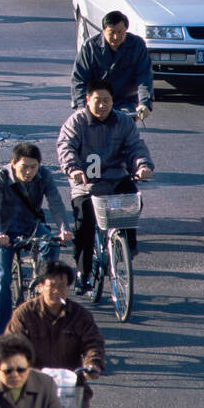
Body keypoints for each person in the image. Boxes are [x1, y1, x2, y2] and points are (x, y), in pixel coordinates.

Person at [5, 260, 103, 408]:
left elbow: (93, 343)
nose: (58, 290)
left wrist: (92, 364)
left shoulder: (79, 315)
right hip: (31, 389)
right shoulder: (25, 314)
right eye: (53, 285)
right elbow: (12, 347)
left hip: (68, 391)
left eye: (64, 286)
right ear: (40, 286)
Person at [57, 78, 153, 293]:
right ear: (87, 100)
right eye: (97, 101)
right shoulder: (76, 122)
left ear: (113, 101)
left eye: (107, 101)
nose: (102, 105)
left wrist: (142, 166)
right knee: (84, 223)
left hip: (116, 179)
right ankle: (83, 272)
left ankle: (126, 246)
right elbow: (66, 147)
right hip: (86, 184)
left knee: (132, 199)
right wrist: (74, 169)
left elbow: (136, 146)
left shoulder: (124, 122)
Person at [0, 144, 73, 336]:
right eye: (24, 166)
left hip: (31, 225)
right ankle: (1, 332)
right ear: (13, 164)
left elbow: (56, 202)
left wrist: (64, 228)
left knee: (51, 246)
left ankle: (41, 291)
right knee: (3, 277)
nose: (29, 171)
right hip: (3, 231)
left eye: (34, 167)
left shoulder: (44, 176)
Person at [71, 10, 152, 117]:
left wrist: (144, 103)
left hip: (126, 102)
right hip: (97, 102)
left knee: (125, 128)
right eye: (112, 32)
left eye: (120, 32)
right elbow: (79, 80)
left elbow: (144, 76)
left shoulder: (137, 45)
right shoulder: (90, 48)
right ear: (103, 31)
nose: (116, 37)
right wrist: (81, 107)